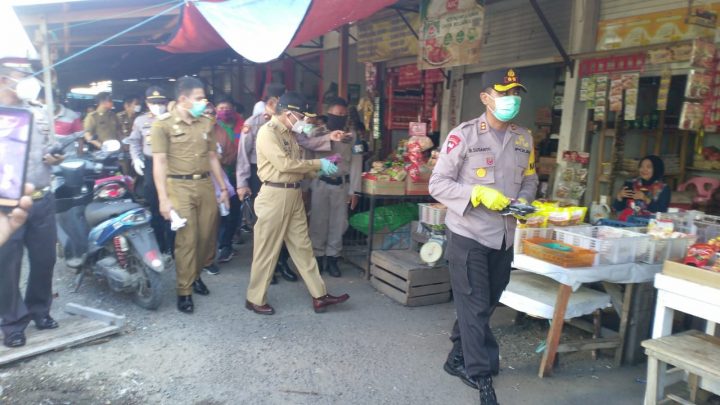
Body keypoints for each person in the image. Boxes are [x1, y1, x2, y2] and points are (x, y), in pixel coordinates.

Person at [429, 68, 538, 405]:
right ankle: (482, 374)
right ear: (486, 98)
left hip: (504, 236)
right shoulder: (464, 136)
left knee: (487, 302)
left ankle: (456, 357)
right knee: (475, 306)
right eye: (504, 93)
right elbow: (438, 184)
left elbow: (531, 179)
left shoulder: (524, 139)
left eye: (516, 94)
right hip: (469, 234)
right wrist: (477, 194)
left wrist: (526, 201)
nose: (512, 100)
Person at [245, 92, 350, 316]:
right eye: (301, 116)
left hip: (292, 194)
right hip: (275, 194)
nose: (304, 120)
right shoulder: (268, 132)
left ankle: (319, 295)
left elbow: (298, 164)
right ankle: (254, 298)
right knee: (267, 250)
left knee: (303, 248)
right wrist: (317, 163)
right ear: (288, 113)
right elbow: (284, 164)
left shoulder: (291, 133)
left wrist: (319, 169)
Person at [0, 61, 66, 348]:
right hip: (6, 205)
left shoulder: (37, 112)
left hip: (42, 198)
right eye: (22, 76)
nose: (30, 82)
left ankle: (40, 310)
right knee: (7, 266)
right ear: (4, 80)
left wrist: (55, 157)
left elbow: (48, 150)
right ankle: (13, 322)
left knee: (45, 260)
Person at [150, 76, 229, 314]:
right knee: (187, 240)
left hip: (205, 184)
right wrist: (163, 199)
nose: (203, 102)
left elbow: (213, 157)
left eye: (204, 98)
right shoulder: (162, 125)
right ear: (183, 99)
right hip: (179, 186)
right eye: (198, 98)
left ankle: (195, 276)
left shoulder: (205, 123)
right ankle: (184, 290)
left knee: (206, 238)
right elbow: (160, 162)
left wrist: (223, 188)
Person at [309, 96, 362, 277]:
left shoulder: (353, 136)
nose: (340, 117)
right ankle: (317, 257)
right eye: (336, 114)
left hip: (341, 185)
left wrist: (354, 190)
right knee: (318, 221)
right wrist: (305, 187)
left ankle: (333, 258)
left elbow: (357, 163)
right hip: (320, 182)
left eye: (343, 114)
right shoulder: (316, 133)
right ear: (328, 113)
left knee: (339, 223)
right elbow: (308, 158)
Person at [125, 86, 174, 255]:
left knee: (174, 204)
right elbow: (134, 142)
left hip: (171, 164)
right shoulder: (141, 121)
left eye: (160, 102)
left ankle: (174, 245)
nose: (158, 105)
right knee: (155, 205)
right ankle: (160, 244)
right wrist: (136, 158)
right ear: (147, 103)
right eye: (154, 103)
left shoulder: (173, 119)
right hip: (150, 163)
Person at [214, 95, 243, 264]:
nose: (224, 111)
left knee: (233, 212)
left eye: (227, 108)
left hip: (235, 174)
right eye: (220, 108)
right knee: (218, 214)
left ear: (233, 109)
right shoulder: (213, 127)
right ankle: (219, 244)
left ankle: (226, 245)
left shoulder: (242, 125)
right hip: (216, 176)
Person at [613, 155, 671, 220]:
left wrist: (645, 198)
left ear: (656, 169)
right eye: (641, 166)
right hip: (626, 224)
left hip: (650, 226)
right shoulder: (630, 183)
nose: (644, 170)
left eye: (648, 167)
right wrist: (619, 197)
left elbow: (662, 212)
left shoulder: (663, 188)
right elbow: (618, 208)